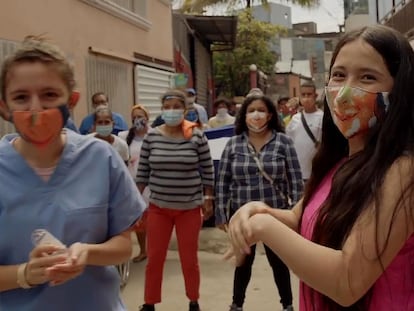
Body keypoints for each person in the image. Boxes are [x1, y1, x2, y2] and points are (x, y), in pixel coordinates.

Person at [226, 24, 414, 311]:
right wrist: (257, 209)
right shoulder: (337, 162)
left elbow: (347, 281)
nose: (345, 91)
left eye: (367, 77)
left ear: (399, 90)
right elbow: (298, 219)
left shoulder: (402, 169)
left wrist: (263, 227)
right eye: (339, 75)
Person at [0, 36, 145, 310]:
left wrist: (87, 253)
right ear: (4, 107)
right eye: (21, 97)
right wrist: (24, 274)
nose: (35, 108)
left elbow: (124, 247)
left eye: (49, 95)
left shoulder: (100, 158)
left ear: (73, 101)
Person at [215, 94, 303, 311]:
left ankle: (288, 305)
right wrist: (221, 214)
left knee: (279, 262)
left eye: (261, 110)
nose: (256, 115)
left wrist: (296, 214)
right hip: (242, 217)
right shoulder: (233, 144)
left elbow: (296, 179)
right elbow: (223, 181)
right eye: (251, 110)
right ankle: (237, 305)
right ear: (243, 116)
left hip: (275, 215)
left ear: (270, 115)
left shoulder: (283, 142)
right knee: (242, 261)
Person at [137, 89, 214, 311]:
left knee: (189, 259)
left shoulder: (196, 135)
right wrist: (133, 202)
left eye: (176, 107)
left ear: (185, 110)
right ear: (161, 110)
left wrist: (208, 197)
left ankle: (193, 301)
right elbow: (142, 173)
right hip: (159, 208)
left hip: (188, 208)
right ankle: (149, 303)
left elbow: (208, 170)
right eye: (167, 107)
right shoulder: (152, 137)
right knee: (155, 258)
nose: (171, 111)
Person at [118, 104, 151, 263]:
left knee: (154, 221)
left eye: (140, 116)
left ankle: (155, 250)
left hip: (152, 185)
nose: (137, 120)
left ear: (147, 118)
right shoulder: (124, 137)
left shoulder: (154, 135)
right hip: (132, 184)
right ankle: (143, 250)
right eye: (134, 117)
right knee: (139, 220)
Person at [286, 82, 323, 182]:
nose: (306, 98)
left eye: (309, 94)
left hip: (316, 173)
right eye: (303, 95)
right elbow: (288, 143)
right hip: (298, 173)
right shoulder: (295, 119)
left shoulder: (322, 118)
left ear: (315, 96)